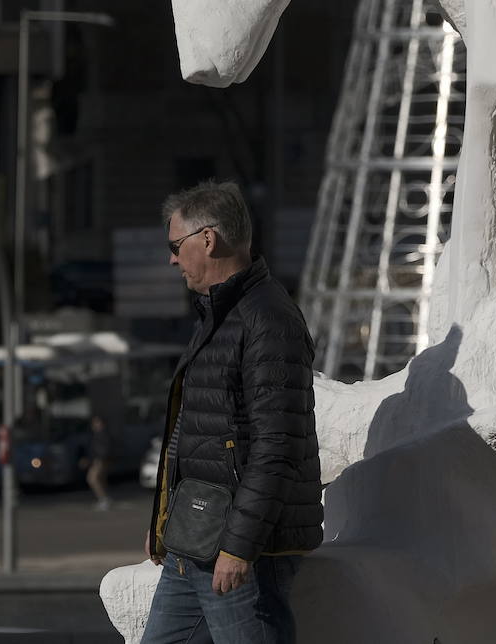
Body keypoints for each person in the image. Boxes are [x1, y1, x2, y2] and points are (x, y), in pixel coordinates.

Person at [143, 180, 322, 644]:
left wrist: (239, 548)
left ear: (208, 239)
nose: (172, 259)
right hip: (194, 541)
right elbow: (193, 430)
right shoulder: (219, 315)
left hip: (242, 553)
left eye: (175, 245)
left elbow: (277, 445)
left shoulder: (268, 319)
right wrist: (163, 524)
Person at [85, 414, 112, 511]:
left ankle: (104, 499)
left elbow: (104, 449)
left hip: (100, 460)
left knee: (92, 478)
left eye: (97, 422)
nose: (94, 425)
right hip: (98, 460)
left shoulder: (103, 434)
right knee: (100, 479)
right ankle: (104, 499)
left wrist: (99, 459)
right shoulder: (97, 434)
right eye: (94, 423)